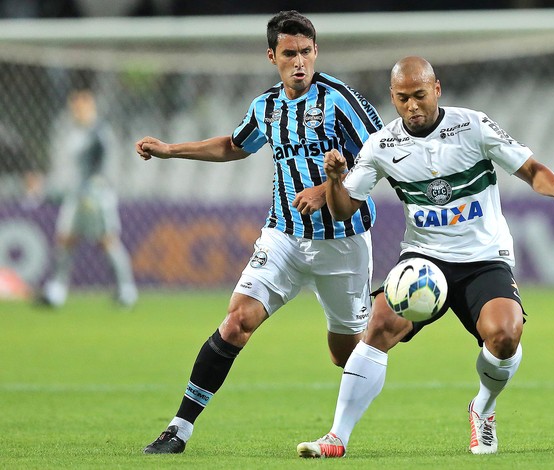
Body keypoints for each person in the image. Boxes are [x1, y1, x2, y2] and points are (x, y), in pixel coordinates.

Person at [297, 56, 554, 458]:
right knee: (380, 324)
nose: (412, 105)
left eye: (420, 95)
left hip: (484, 256)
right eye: (403, 98)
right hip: (424, 258)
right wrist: (333, 181)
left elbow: (530, 168)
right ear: (393, 97)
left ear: (437, 89)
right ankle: (336, 436)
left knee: (505, 336)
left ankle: (482, 409)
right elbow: (344, 208)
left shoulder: (473, 126)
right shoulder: (382, 145)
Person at [135, 10, 383, 454]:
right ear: (273, 56)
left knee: (345, 355)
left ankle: (377, 343)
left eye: (306, 52)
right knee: (236, 323)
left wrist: (327, 191)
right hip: (283, 238)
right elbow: (234, 145)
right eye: (290, 54)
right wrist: (171, 149)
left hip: (343, 245)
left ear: (316, 52)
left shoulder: (341, 100)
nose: (299, 61)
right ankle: (179, 428)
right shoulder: (265, 106)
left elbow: (381, 154)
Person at [39, 88, 138, 308]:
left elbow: (106, 164)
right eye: (74, 106)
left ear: (90, 107)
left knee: (106, 241)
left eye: (80, 105)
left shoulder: (99, 132)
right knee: (65, 239)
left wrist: (99, 187)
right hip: (76, 194)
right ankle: (56, 290)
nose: (76, 110)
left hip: (96, 195)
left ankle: (127, 290)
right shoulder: (74, 131)